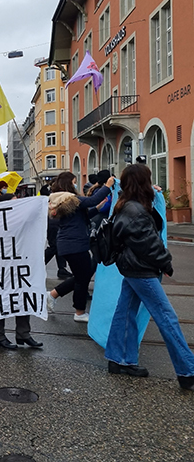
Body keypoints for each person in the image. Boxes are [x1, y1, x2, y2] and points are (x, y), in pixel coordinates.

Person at [105, 164, 194, 390]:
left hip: (132, 267)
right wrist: (166, 263)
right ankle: (188, 371)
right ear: (143, 183)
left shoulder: (126, 205)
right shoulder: (135, 210)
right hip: (141, 269)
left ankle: (119, 359)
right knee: (167, 317)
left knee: (125, 312)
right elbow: (150, 244)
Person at [46, 171, 115, 322]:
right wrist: (108, 186)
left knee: (81, 275)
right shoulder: (70, 199)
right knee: (82, 278)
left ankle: (53, 295)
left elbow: (80, 217)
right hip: (74, 244)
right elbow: (91, 200)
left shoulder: (62, 201)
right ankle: (79, 312)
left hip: (70, 244)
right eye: (74, 181)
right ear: (69, 184)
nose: (76, 184)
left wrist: (97, 208)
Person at [0, 192, 42, 349]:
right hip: (0, 268)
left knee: (24, 296)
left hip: (20, 266)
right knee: (0, 300)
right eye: (14, 202)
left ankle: (23, 334)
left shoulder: (23, 220)